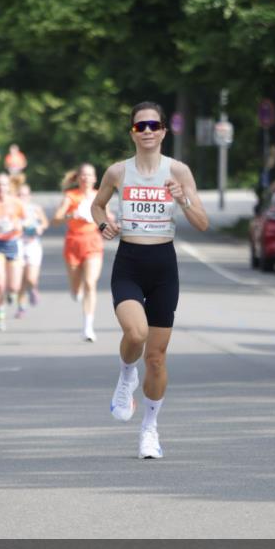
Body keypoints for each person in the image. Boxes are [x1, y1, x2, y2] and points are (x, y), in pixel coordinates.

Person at [91, 101, 209, 459]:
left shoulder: (178, 171)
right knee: (136, 334)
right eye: (139, 126)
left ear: (163, 131)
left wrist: (182, 198)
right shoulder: (118, 172)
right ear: (132, 132)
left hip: (163, 267)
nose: (146, 131)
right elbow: (96, 205)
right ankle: (127, 374)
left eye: (153, 126)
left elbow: (202, 223)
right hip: (129, 263)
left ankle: (149, 429)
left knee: (156, 358)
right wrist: (104, 224)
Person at [52, 163, 110, 342]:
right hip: (73, 243)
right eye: (83, 175)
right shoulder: (70, 196)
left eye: (89, 175)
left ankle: (88, 328)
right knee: (76, 287)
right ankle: (75, 291)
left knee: (90, 283)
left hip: (93, 242)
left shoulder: (100, 196)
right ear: (77, 178)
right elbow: (56, 220)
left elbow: (108, 217)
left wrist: (107, 221)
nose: (86, 178)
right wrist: (72, 215)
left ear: (95, 178)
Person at [0, 173, 25, 331]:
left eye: (4, 185)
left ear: (9, 187)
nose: (1, 188)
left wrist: (18, 226)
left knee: (14, 286)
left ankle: (12, 294)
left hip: (12, 243)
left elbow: (26, 220)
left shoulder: (16, 203)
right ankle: (0, 315)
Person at [16, 183, 49, 317]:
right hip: (17, 244)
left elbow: (45, 222)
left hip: (32, 245)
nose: (22, 197)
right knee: (20, 279)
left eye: (25, 195)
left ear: (29, 196)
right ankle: (21, 307)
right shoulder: (13, 209)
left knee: (30, 278)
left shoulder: (35, 208)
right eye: (19, 195)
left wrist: (40, 227)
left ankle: (33, 289)